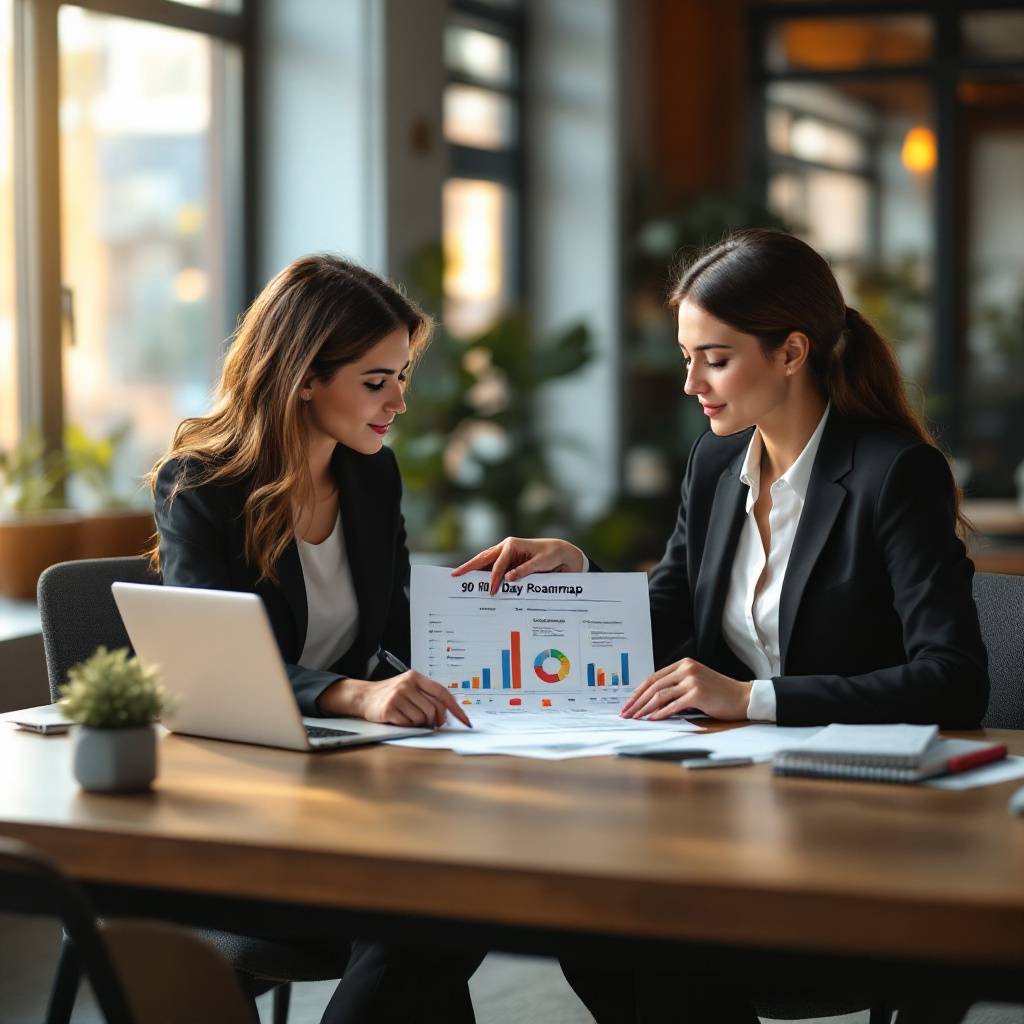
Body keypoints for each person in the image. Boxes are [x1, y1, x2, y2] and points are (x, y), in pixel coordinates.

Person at [453, 229, 988, 1023]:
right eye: (687, 356)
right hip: (726, 807)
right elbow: (671, 613)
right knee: (592, 929)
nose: (690, 383)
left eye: (716, 357)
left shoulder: (892, 473)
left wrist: (753, 698)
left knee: (663, 953)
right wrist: (579, 573)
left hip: (856, 826)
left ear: (792, 352)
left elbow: (955, 680)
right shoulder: (715, 461)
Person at [149, 253, 484, 1023]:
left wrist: (506, 627)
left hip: (352, 786)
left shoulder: (372, 474)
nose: (399, 401)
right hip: (241, 798)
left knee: (456, 892)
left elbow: (396, 626)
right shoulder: (201, 486)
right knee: (435, 912)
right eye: (377, 380)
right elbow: (216, 667)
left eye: (402, 376)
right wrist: (354, 694)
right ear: (304, 376)